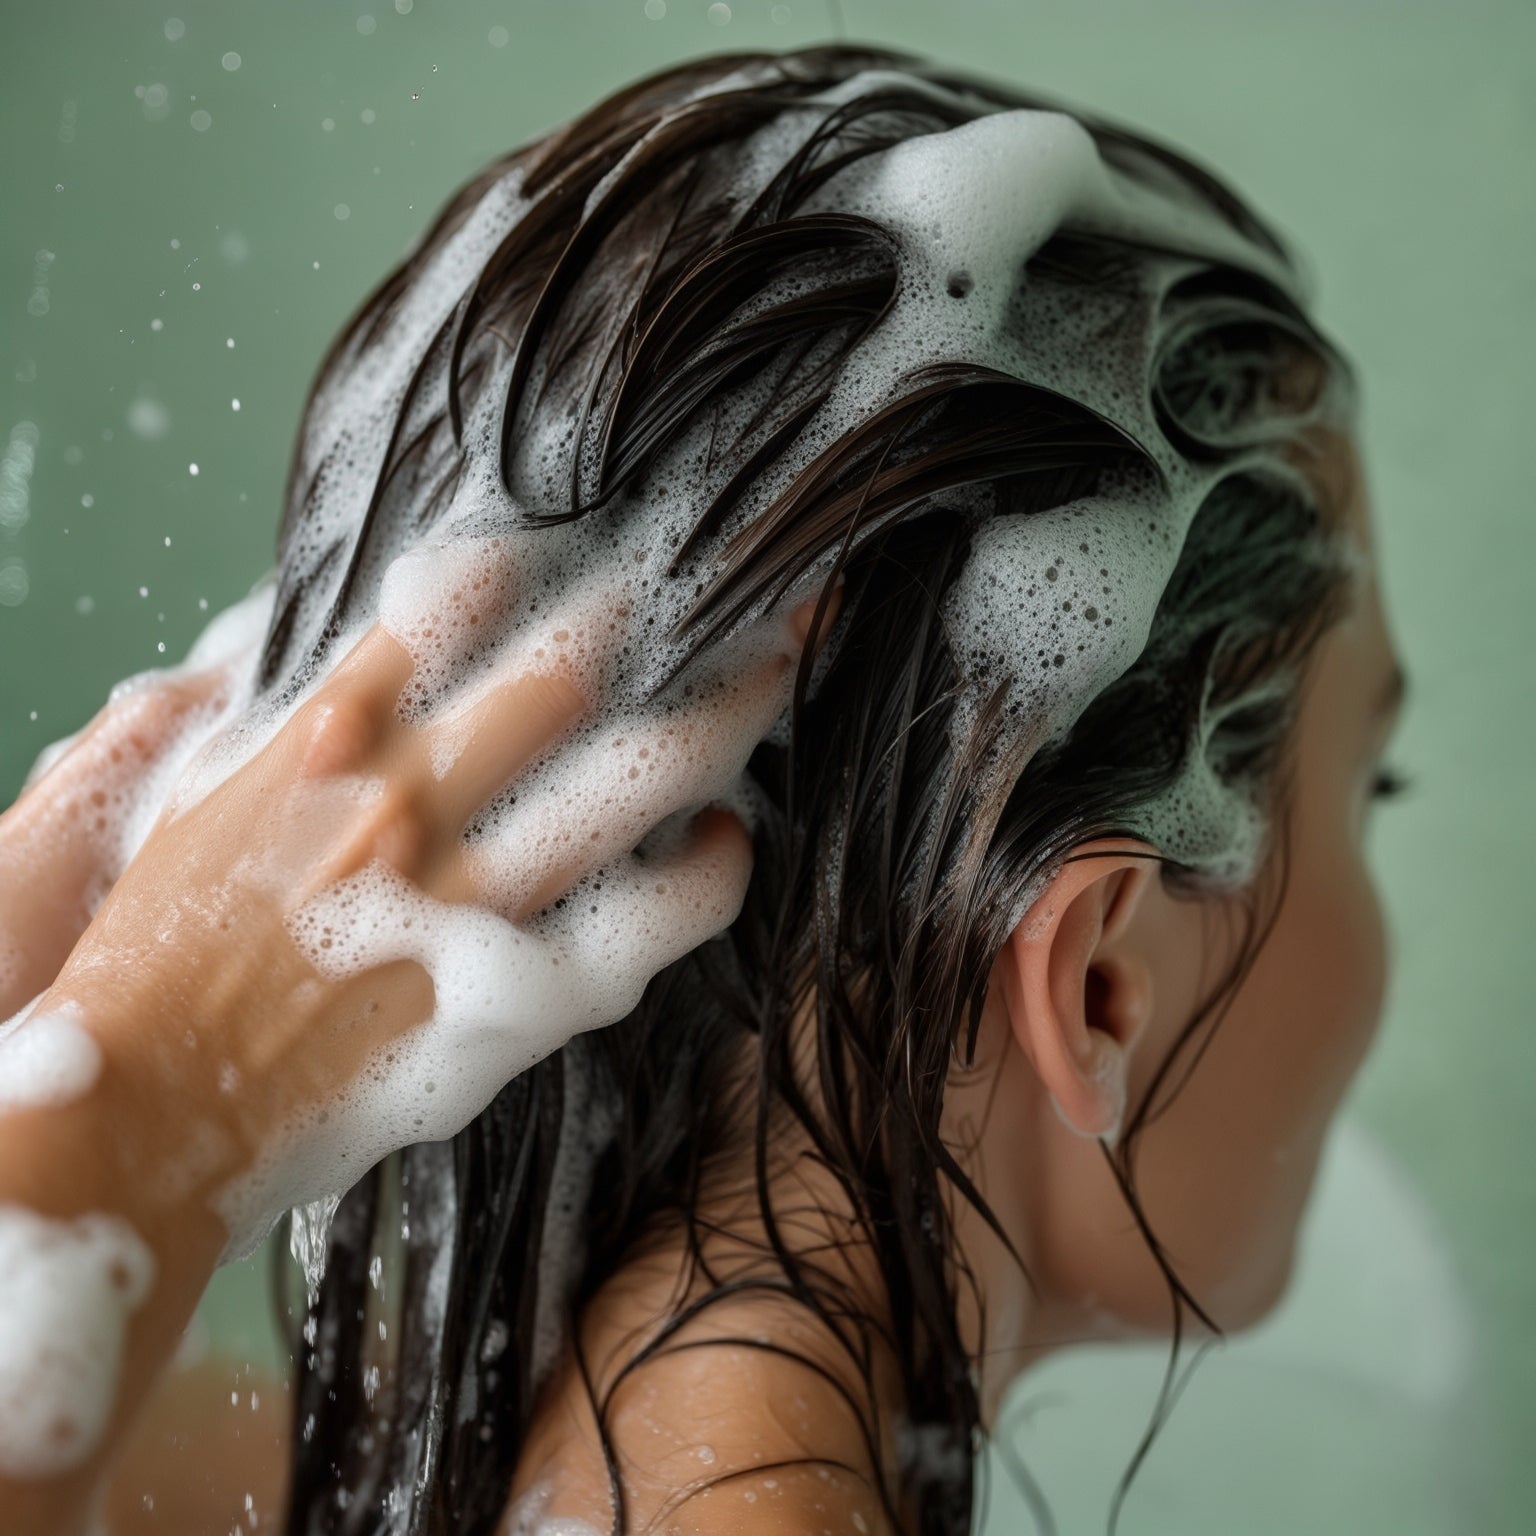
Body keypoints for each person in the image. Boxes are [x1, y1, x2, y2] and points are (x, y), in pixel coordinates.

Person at [0, 42, 1409, 1536]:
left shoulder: (294, 1487)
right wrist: (156, 1091)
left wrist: (121, 1087)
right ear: (1100, 978)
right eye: (1373, 786)